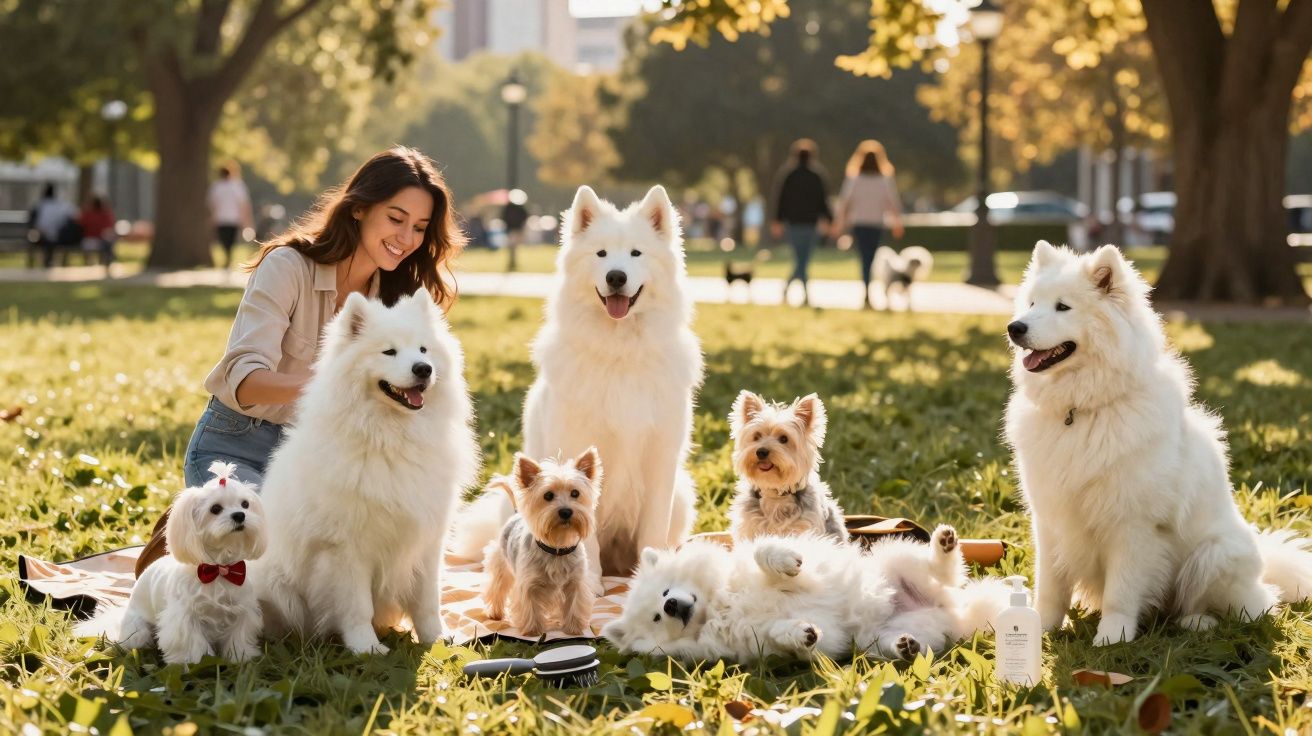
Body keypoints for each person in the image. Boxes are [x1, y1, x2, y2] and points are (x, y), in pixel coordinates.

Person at [135, 146, 465, 576]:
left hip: (327, 454)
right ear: (359, 209)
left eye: (420, 227)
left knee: (339, 560)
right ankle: (189, 531)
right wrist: (328, 379)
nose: (407, 238)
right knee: (268, 554)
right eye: (396, 218)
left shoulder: (395, 302)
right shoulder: (287, 266)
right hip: (239, 443)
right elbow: (244, 377)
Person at [832, 140, 905, 309]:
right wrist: (897, 223)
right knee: (871, 256)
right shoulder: (884, 180)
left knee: (865, 258)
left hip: (860, 224)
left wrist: (839, 224)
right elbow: (892, 203)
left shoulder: (855, 179)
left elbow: (845, 203)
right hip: (876, 223)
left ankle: (866, 288)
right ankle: (868, 288)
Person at [771, 139, 832, 307]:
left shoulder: (789, 175)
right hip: (809, 224)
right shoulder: (816, 176)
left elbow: (781, 201)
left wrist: (777, 221)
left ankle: (790, 289)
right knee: (802, 259)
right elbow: (823, 201)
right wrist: (829, 220)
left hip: (794, 224)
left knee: (801, 259)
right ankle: (804, 295)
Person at [208, 165, 253, 269]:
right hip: (233, 219)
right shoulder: (237, 186)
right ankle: (228, 257)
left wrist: (212, 217)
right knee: (229, 240)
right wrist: (246, 219)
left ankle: (227, 258)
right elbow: (243, 204)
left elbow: (213, 204)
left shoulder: (216, 186)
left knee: (225, 240)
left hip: (222, 219)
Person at [30, 184, 76, 268]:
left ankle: (47, 263)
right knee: (49, 240)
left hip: (44, 236)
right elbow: (73, 216)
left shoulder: (39, 205)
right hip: (57, 236)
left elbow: (34, 224)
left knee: (46, 239)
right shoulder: (61, 205)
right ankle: (50, 263)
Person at [78, 195, 117, 269]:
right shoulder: (106, 215)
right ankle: (105, 263)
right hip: (97, 240)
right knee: (107, 242)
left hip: (90, 240)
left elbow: (80, 224)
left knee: (105, 243)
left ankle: (89, 265)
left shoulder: (87, 214)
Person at [502, 190, 529, 272]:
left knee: (514, 247)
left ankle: (512, 262)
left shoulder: (519, 209)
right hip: (512, 230)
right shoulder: (509, 208)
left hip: (516, 230)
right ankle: (512, 262)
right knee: (512, 247)